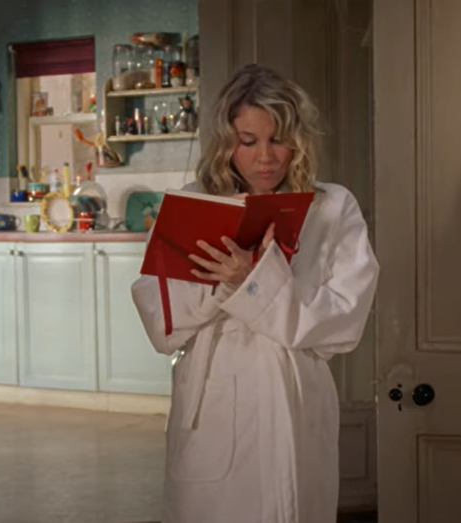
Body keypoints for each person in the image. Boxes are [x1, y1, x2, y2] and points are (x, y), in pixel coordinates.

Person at [130, 63, 380, 523]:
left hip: (295, 395)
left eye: (277, 139)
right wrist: (224, 280)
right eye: (248, 141)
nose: (265, 157)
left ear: (298, 141)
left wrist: (255, 280)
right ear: (227, 143)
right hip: (213, 396)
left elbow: (344, 323)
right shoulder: (191, 205)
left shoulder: (332, 207)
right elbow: (160, 323)